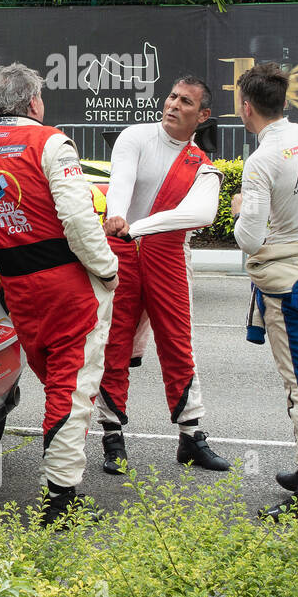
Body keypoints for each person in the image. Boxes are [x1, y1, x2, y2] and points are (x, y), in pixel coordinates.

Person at [0, 63, 118, 525]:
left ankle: (61, 482)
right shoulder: (51, 141)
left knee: (56, 381)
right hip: (66, 283)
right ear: (33, 102)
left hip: (17, 284)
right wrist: (108, 270)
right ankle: (61, 497)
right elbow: (78, 218)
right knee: (73, 386)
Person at [95, 78, 230, 474]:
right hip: (122, 248)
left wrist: (138, 226)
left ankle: (191, 437)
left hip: (166, 254)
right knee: (113, 344)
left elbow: (201, 214)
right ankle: (111, 436)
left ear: (202, 115)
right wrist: (119, 217)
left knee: (178, 344)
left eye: (185, 101)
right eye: (172, 96)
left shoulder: (202, 167)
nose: (173, 105)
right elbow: (120, 181)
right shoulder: (135, 136)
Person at [230, 63, 298, 519]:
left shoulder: (261, 161)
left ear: (246, 108)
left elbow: (249, 239)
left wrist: (238, 208)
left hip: (289, 284)